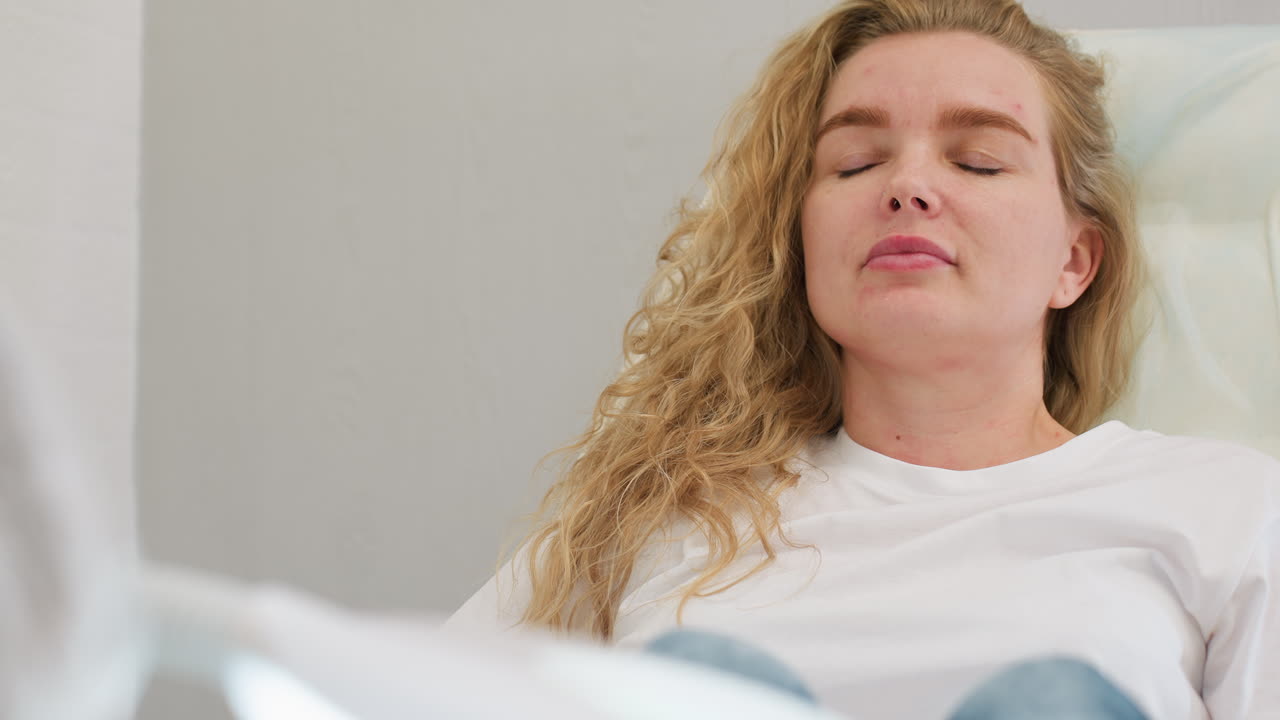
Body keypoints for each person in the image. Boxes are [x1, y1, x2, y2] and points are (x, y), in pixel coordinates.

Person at [445, 1, 1280, 718]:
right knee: (711, 686)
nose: (908, 186)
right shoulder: (653, 516)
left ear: (1075, 261)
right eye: (856, 162)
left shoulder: (1226, 509)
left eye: (977, 160)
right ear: (802, 242)